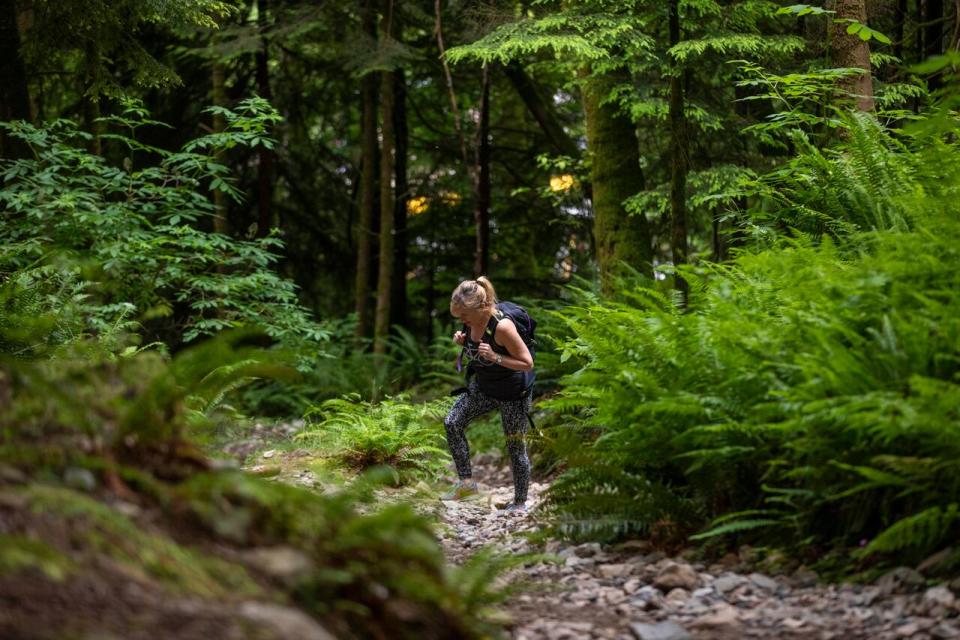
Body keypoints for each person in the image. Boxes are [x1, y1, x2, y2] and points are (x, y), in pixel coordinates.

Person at [441, 276, 534, 513]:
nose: (461, 321)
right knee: (452, 422)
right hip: (484, 388)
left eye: (464, 317)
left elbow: (527, 363)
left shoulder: (503, 327)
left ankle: (520, 502)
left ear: (481, 308)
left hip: (513, 394)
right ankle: (466, 484)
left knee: (516, 447)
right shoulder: (471, 322)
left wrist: (496, 357)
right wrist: (463, 344)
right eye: (459, 317)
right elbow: (476, 353)